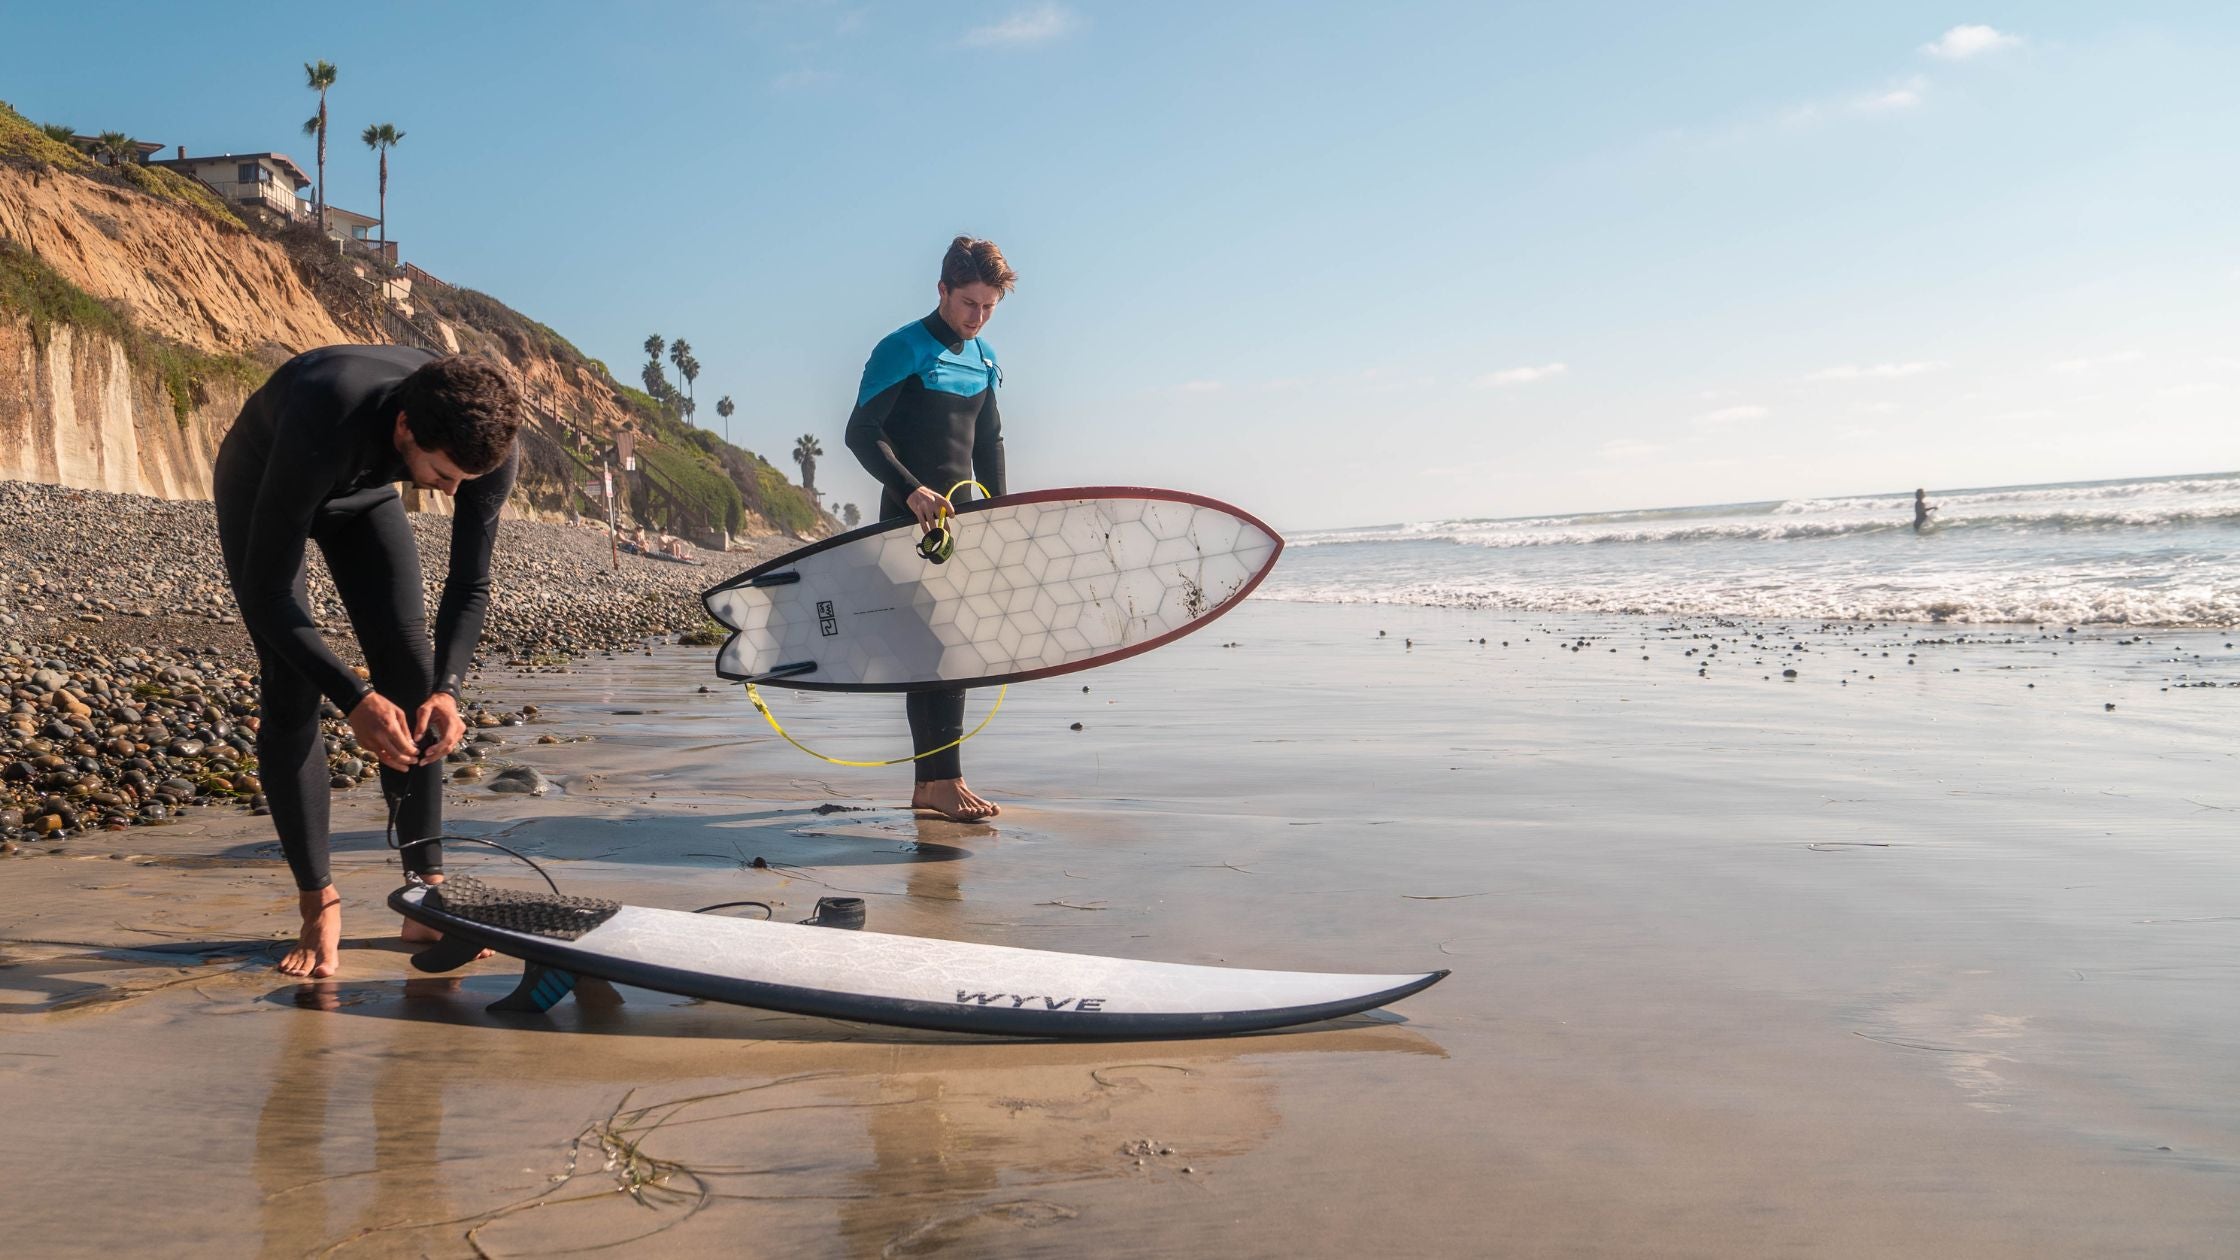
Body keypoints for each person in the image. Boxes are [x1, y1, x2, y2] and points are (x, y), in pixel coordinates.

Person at [214, 346, 522, 978]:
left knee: (414, 677)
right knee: (291, 681)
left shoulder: (486, 442)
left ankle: (425, 896)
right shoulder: (329, 408)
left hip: (365, 492)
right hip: (269, 474)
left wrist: (448, 691)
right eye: (442, 474)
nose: (451, 491)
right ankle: (318, 902)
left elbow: (470, 585)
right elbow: (271, 598)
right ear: (406, 427)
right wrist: (353, 698)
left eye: (465, 480)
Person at [844, 236, 1014, 821]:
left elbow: (988, 444)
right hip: (908, 519)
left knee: (955, 649)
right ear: (942, 290)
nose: (978, 316)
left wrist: (1005, 516)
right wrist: (911, 489)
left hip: (959, 524)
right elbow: (862, 433)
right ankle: (941, 782)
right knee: (934, 650)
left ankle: (936, 783)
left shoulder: (984, 358)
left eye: (989, 306)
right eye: (969, 303)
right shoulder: (902, 349)